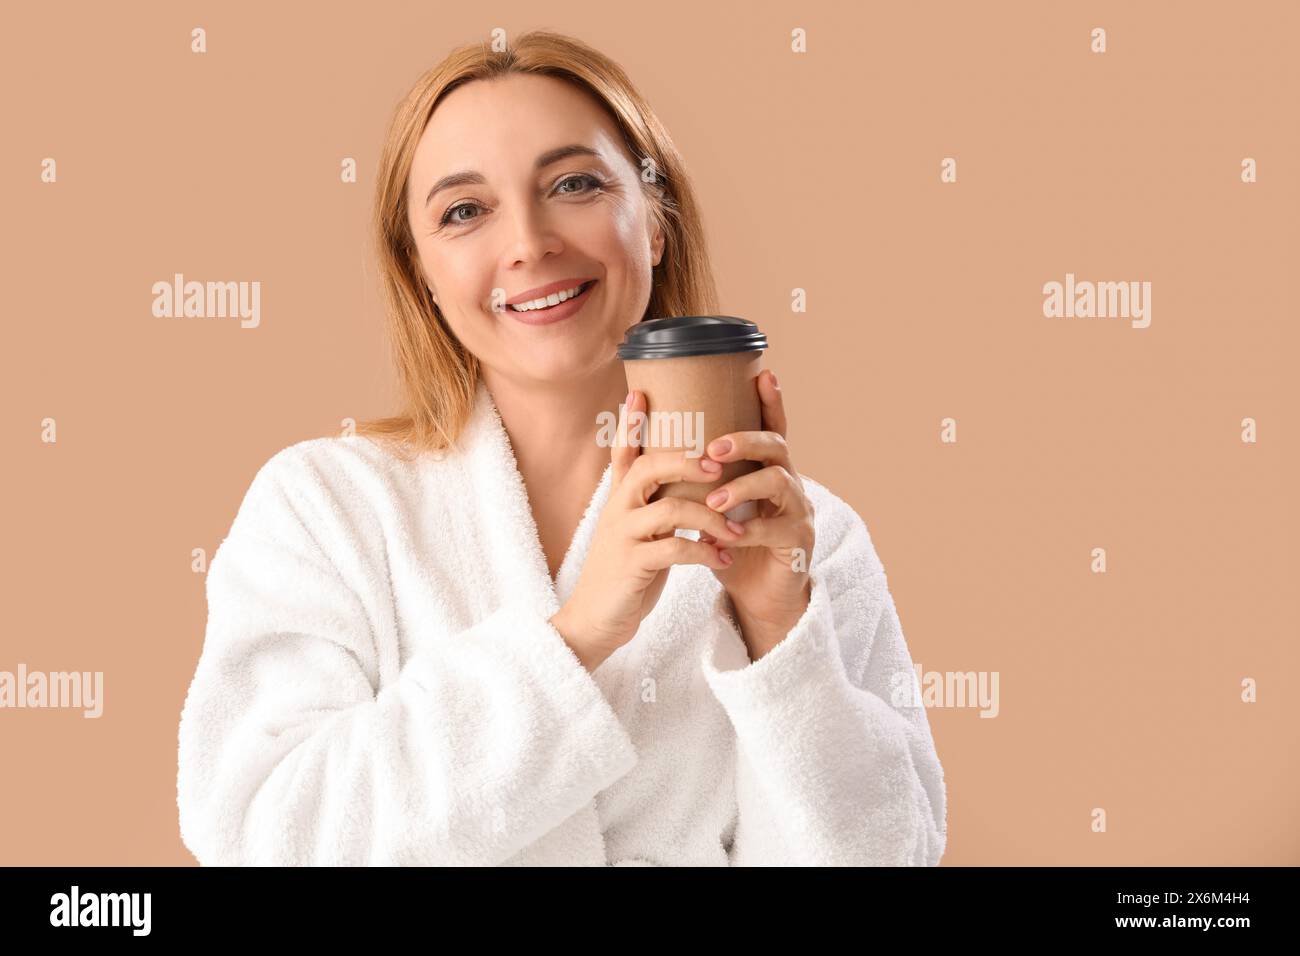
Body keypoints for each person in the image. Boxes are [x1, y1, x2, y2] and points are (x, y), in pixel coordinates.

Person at [176, 30, 947, 866]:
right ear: (422, 273)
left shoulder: (810, 542)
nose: (529, 243)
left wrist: (778, 636)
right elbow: (261, 834)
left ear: (654, 221)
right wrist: (575, 636)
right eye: (464, 211)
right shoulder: (324, 509)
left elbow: (890, 856)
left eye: (574, 184)